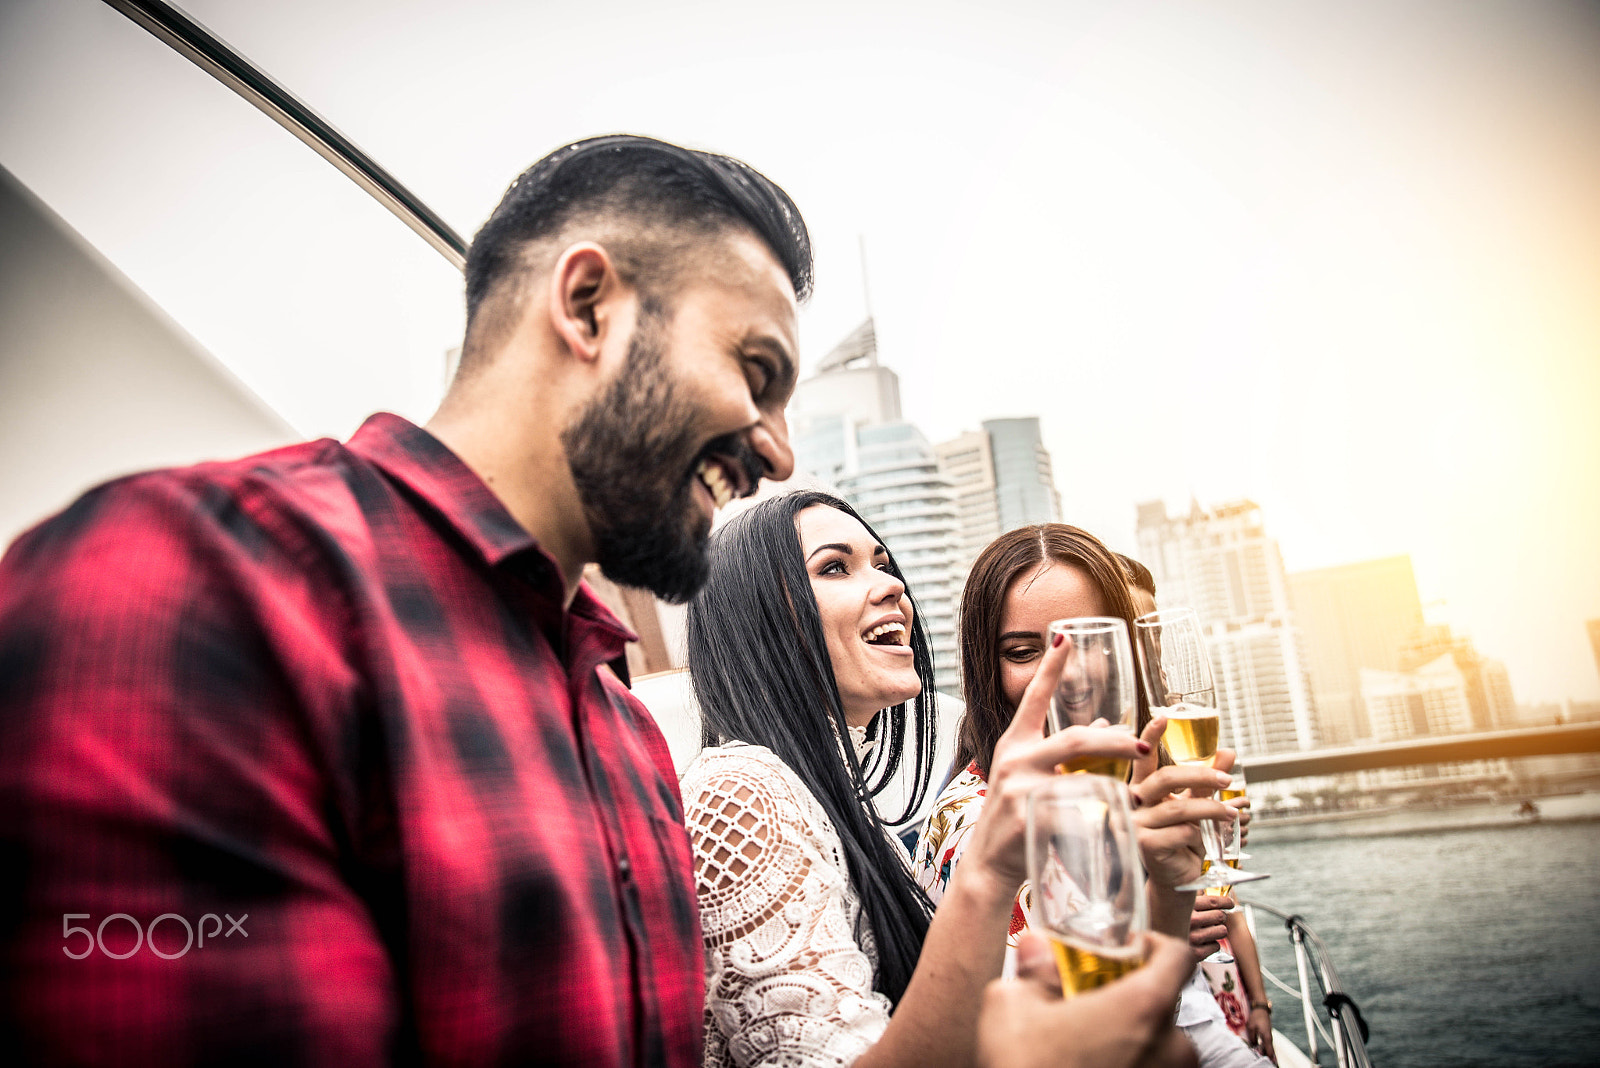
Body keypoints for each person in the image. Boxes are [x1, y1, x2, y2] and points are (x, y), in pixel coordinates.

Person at [0, 135, 1193, 1067]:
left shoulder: (620, 734)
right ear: (587, 308)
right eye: (757, 374)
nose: (778, 453)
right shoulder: (192, 589)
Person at [680, 490, 1196, 1068]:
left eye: (882, 563)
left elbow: (1099, 1027)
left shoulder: (853, 816)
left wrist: (1172, 891)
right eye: (834, 567)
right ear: (760, 618)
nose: (891, 584)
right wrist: (992, 872)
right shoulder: (741, 787)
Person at [912, 525, 1272, 1068]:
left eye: (1088, 641)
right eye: (1025, 650)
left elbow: (1148, 1015)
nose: (1069, 672)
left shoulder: (1108, 793)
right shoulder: (976, 825)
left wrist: (1174, 883)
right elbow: (1089, 1036)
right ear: (987, 669)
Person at [1119, 554, 1276, 1065]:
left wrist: (1261, 1003)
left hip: (1202, 997)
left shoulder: (1163, 766)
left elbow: (1223, 904)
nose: (1158, 669)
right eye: (1136, 647)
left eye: (1155, 648)